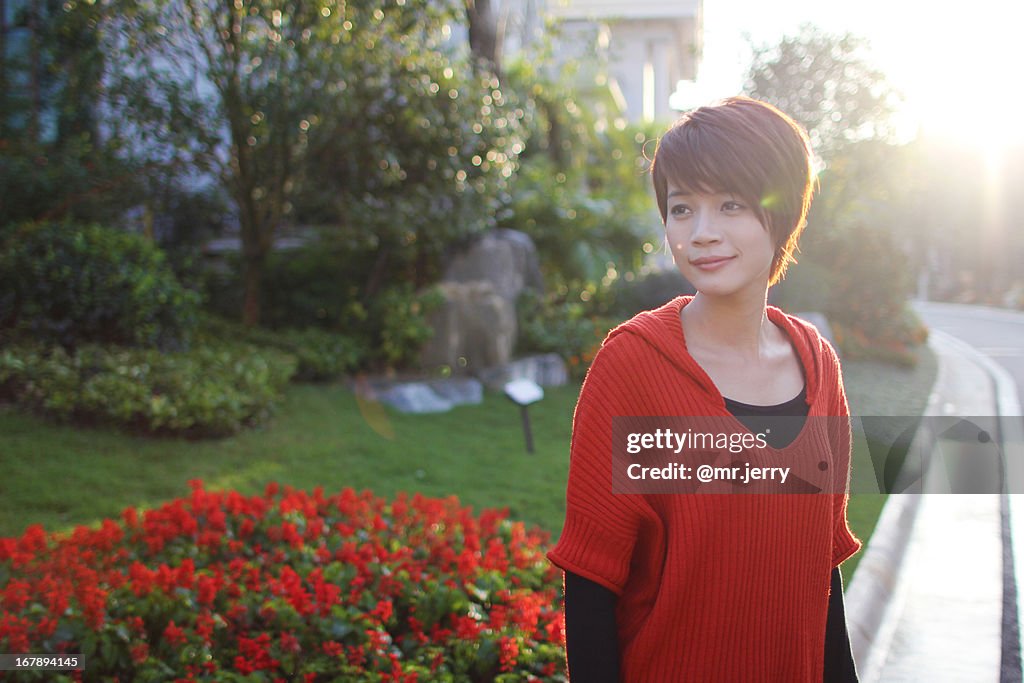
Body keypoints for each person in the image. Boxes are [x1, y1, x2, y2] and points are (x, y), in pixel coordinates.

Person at [546, 95, 862, 682]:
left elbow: (821, 572)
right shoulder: (633, 367)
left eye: (731, 204)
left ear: (784, 211)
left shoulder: (819, 368)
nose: (702, 233)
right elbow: (590, 584)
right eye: (682, 208)